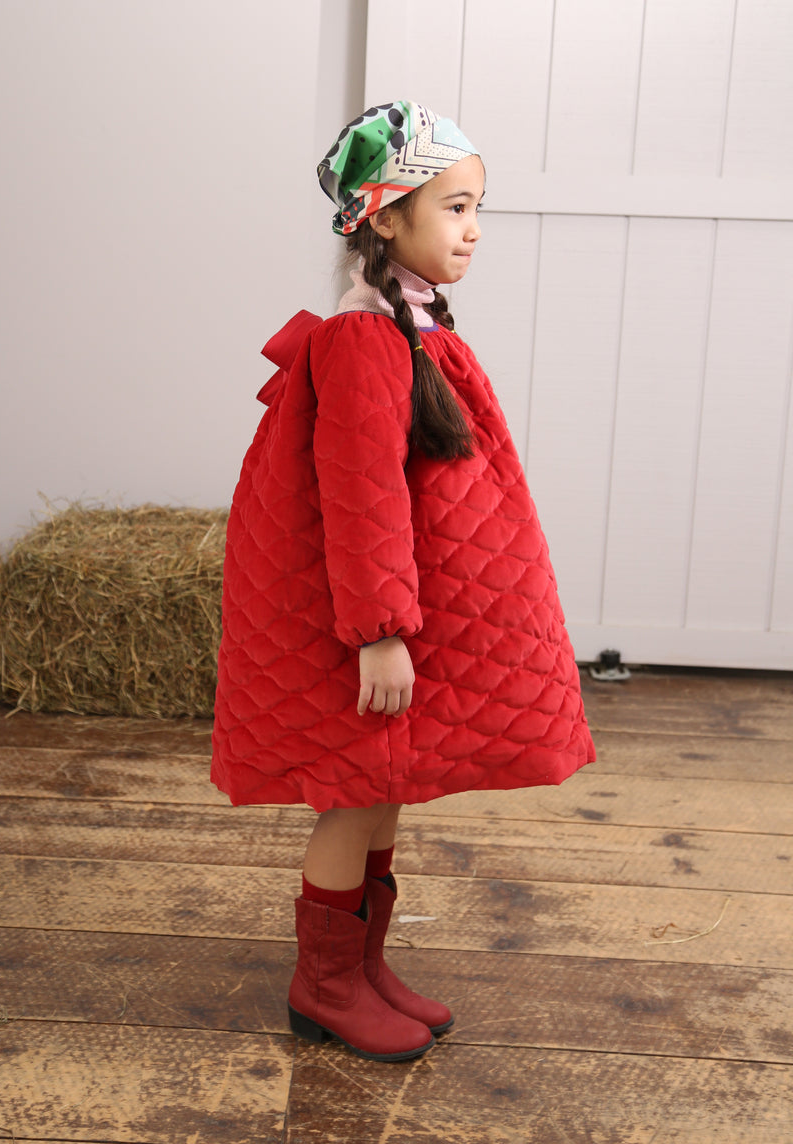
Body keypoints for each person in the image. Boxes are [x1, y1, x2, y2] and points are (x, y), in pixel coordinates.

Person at [211, 101, 595, 1063]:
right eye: (456, 207)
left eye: (477, 208)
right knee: (354, 790)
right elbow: (362, 494)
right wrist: (380, 630)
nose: (474, 228)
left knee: (383, 782)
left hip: (392, 609)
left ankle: (364, 966)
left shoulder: (407, 327)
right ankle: (323, 985)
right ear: (385, 217)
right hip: (359, 620)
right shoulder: (363, 341)